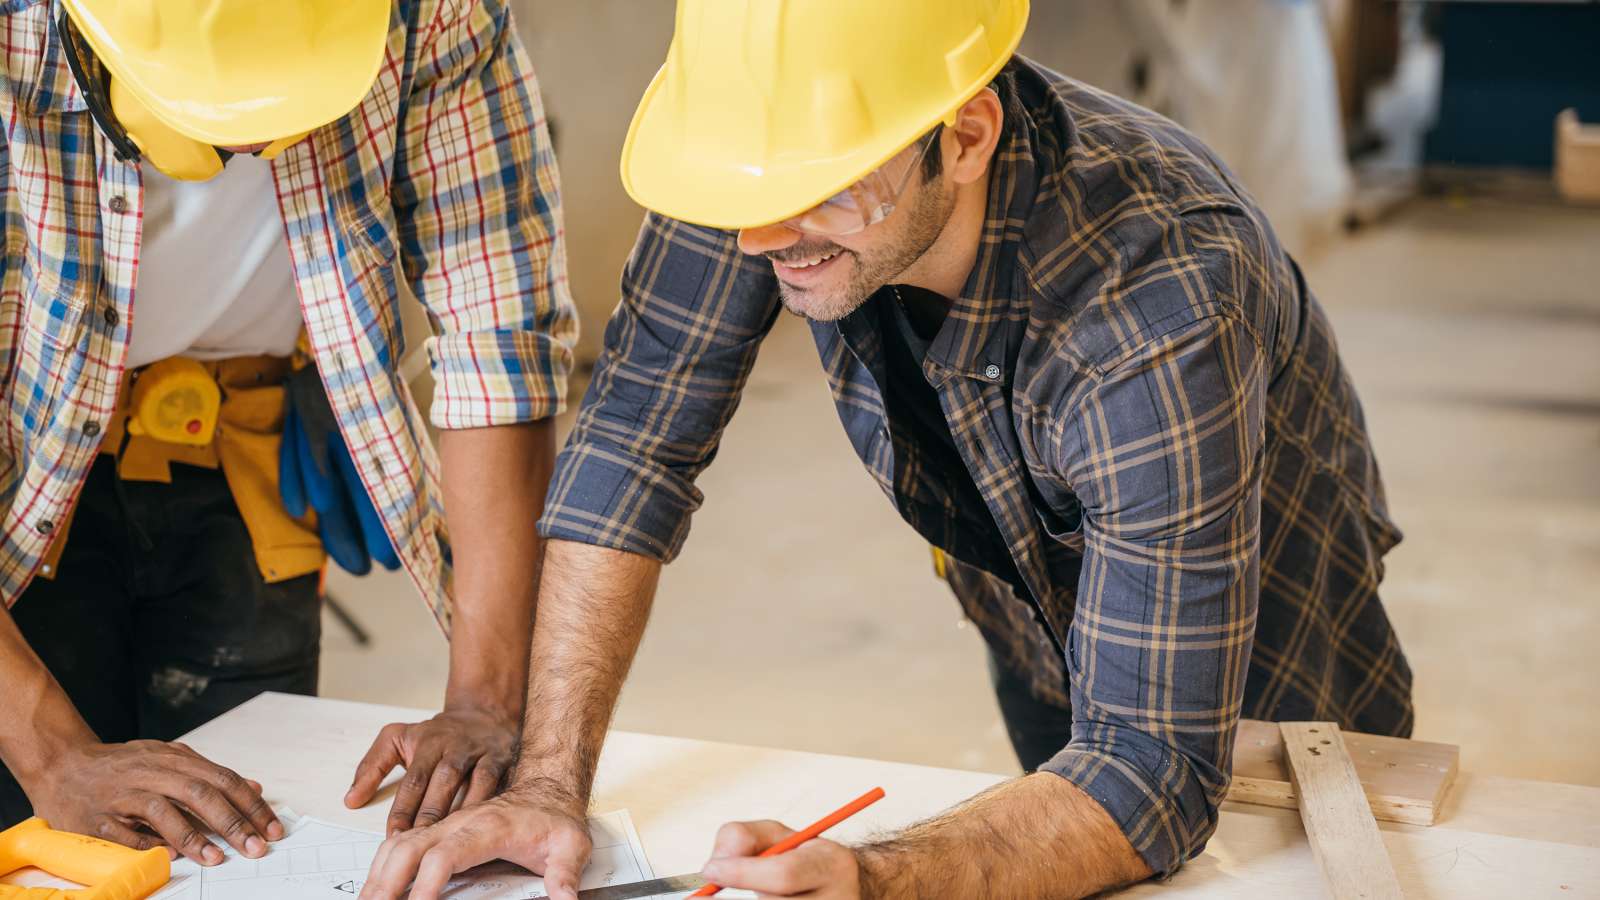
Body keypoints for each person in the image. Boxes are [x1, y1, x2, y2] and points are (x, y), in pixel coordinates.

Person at [360, 0, 1412, 897]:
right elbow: (633, 447)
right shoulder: (775, 172)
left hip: (1269, 674)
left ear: (964, 135)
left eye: (815, 192)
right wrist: (547, 781)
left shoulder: (1159, 304)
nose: (759, 240)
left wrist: (876, 877)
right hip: (1032, 616)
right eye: (742, 195)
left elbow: (1151, 768)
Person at [0, 0, 575, 868]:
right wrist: (51, 754)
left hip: (242, 461)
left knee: (250, 850)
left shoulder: (432, 10)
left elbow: (497, 332)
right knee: (40, 847)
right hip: (20, 469)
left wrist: (489, 698)